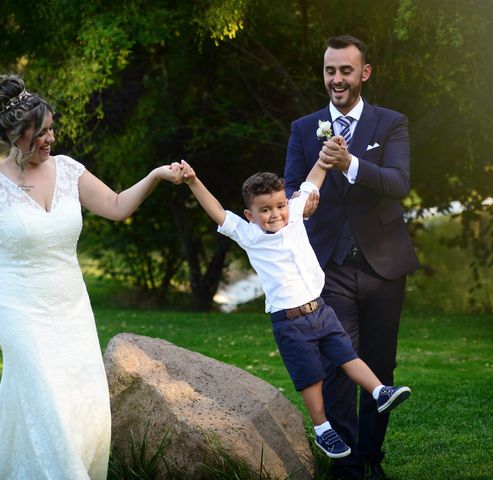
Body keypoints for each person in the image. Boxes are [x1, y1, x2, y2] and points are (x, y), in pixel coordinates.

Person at [0, 74, 184, 479]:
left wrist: (154, 176)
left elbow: (116, 206)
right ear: (13, 135)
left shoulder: (68, 170)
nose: (49, 139)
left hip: (70, 303)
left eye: (50, 129)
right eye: (39, 133)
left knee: (79, 400)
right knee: (45, 399)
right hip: (17, 306)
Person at [175, 154, 410, 459]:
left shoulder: (296, 214)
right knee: (310, 376)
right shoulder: (250, 235)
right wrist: (193, 180)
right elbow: (218, 212)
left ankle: (380, 392)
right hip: (289, 321)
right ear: (250, 214)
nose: (275, 214)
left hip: (321, 309)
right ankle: (323, 429)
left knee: (347, 355)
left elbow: (313, 180)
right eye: (265, 210)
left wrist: (327, 157)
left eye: (279, 206)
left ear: (287, 202)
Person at [283, 35, 419, 480]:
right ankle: (345, 469)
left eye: (345, 70)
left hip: (383, 266)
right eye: (329, 70)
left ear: (364, 73)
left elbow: (399, 183)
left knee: (380, 366)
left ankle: (371, 458)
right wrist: (302, 199)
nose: (336, 79)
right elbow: (288, 190)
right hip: (328, 267)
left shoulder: (391, 123)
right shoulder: (304, 128)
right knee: (339, 362)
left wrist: (350, 165)